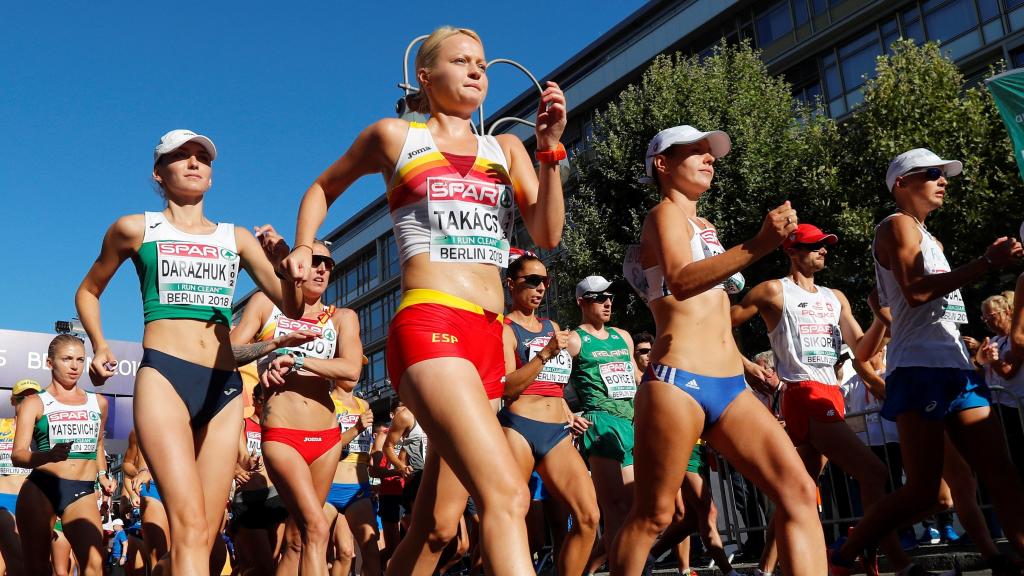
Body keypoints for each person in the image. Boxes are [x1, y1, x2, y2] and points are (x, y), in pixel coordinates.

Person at [281, 26, 567, 576]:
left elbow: (548, 234)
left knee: (436, 529)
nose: (476, 70)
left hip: (489, 338)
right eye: (461, 60)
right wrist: (301, 245)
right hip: (430, 324)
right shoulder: (395, 137)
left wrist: (550, 147)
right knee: (507, 494)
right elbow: (322, 188)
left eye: (481, 62)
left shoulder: (505, 148)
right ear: (426, 75)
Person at [75, 129, 302, 575]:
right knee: (189, 523)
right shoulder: (135, 227)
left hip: (224, 386)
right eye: (182, 156)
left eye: (203, 158)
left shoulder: (235, 237)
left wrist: (282, 261)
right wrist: (98, 345)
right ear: (159, 173)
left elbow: (292, 305)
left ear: (212, 177)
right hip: (165, 376)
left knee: (206, 531)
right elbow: (88, 291)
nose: (195, 163)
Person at [610, 125, 824, 574]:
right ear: (662, 165)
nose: (709, 159)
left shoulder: (705, 226)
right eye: (695, 152)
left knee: (800, 492)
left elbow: (712, 308)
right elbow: (683, 282)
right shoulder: (662, 214)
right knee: (654, 517)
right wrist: (759, 244)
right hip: (677, 382)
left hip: (730, 386)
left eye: (711, 153)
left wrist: (745, 364)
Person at [834, 148, 1024, 575]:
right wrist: (985, 263)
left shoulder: (931, 238)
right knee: (923, 492)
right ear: (902, 184)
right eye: (933, 173)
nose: (944, 180)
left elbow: (912, 302)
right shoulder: (896, 225)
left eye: (945, 174)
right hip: (919, 371)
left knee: (1001, 472)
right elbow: (916, 291)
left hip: (956, 368)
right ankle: (844, 555)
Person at [731, 222, 913, 573]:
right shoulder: (773, 291)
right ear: (791, 251)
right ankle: (882, 561)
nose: (823, 251)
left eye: (825, 245)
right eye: (814, 245)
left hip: (830, 395)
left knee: (799, 490)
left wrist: (880, 320)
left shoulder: (835, 297)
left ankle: (764, 571)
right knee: (873, 473)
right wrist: (745, 367)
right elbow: (719, 325)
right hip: (803, 392)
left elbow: (861, 350)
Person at [231, 237, 364, 576]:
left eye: (328, 265)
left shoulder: (342, 317)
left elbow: (351, 369)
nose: (322, 269)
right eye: (315, 261)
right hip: (282, 435)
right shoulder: (265, 304)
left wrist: (298, 358)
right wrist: (271, 349)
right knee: (318, 527)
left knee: (298, 537)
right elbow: (228, 352)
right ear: (296, 265)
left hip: (326, 438)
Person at [500, 253, 600, 576]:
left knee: (589, 517)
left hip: (557, 431)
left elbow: (555, 384)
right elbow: (506, 386)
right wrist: (545, 353)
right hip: (519, 428)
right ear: (511, 284)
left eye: (545, 281)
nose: (541, 287)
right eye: (532, 280)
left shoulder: (552, 326)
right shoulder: (504, 329)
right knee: (510, 522)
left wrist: (568, 412)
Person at [12, 334, 117, 574]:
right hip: (41, 487)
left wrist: (102, 473)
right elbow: (17, 455)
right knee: (37, 567)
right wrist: (48, 456)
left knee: (94, 563)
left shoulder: (98, 402)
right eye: (67, 359)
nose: (74, 366)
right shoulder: (34, 403)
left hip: (81, 489)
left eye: (80, 359)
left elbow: (99, 443)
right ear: (50, 363)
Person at [565, 274, 641, 567]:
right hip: (600, 423)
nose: (607, 302)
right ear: (582, 302)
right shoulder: (573, 339)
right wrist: (568, 414)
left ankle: (588, 569)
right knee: (616, 509)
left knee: (635, 507)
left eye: (609, 297)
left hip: (630, 423)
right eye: (599, 298)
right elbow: (551, 383)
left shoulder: (622, 336)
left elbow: (636, 376)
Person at [231, 383, 289, 576]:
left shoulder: (279, 425)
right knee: (261, 566)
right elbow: (234, 456)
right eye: (264, 402)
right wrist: (243, 466)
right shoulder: (243, 424)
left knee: (272, 564)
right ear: (255, 401)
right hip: (249, 498)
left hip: (275, 496)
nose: (268, 407)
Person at [328, 382, 381, 576]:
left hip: (358, 487)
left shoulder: (364, 405)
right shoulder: (326, 401)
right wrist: (357, 428)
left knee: (370, 548)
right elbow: (325, 445)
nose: (354, 373)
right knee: (341, 552)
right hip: (329, 486)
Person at [977, 291, 1024, 476]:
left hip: (1016, 407)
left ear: (1007, 312)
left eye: (992, 316)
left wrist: (993, 361)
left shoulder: (1018, 339)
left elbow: (1008, 372)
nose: (988, 321)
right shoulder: (995, 341)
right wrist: (980, 359)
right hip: (998, 407)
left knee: (1018, 455)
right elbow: (980, 369)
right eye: (985, 317)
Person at [0, 379, 38, 576]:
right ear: (13, 401)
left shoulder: (43, 432)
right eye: (22, 398)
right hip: (3, 499)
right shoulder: (1, 426)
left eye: (34, 397)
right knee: (17, 561)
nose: (28, 402)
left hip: (33, 502)